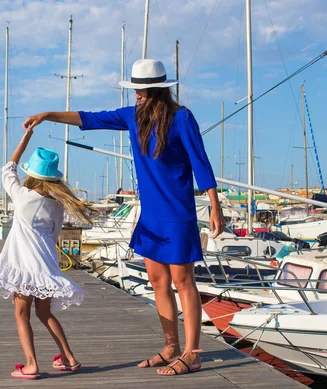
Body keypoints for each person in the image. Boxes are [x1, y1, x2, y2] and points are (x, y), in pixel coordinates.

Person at [22, 58, 224, 376]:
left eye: (141, 91)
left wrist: (215, 205)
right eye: (135, 91)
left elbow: (201, 162)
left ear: (156, 90)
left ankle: (192, 352)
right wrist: (49, 115)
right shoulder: (133, 117)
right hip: (151, 215)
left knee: (183, 281)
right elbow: (89, 118)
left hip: (178, 214)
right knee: (158, 282)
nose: (137, 96)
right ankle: (171, 346)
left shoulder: (182, 118)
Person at [0, 127, 90, 379]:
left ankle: (31, 364)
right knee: (44, 313)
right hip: (45, 265)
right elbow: (55, 234)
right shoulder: (57, 204)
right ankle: (69, 357)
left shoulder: (22, 195)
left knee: (21, 314)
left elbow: (8, 168)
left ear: (32, 174)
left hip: (23, 265)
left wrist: (25, 138)